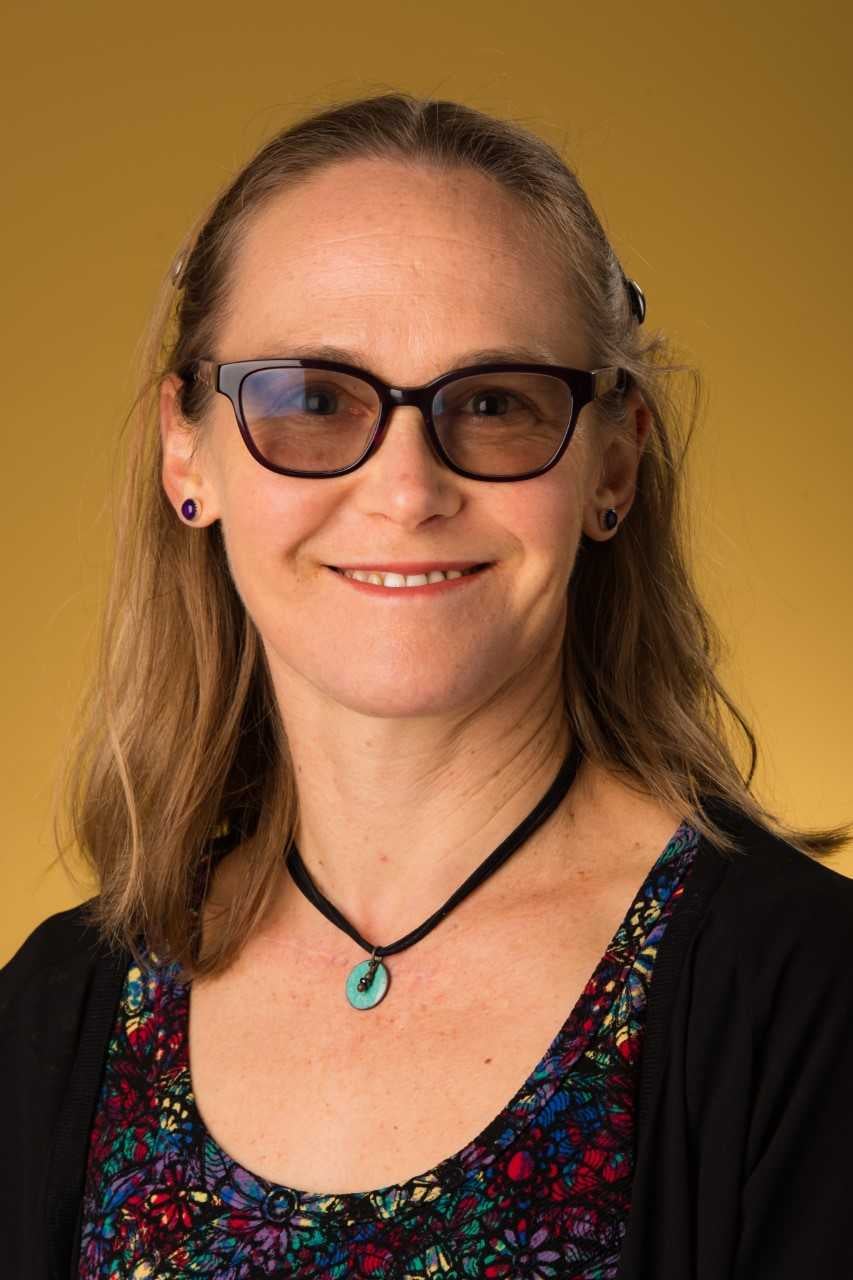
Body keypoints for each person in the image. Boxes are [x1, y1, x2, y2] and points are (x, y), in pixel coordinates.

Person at [2, 91, 852, 1279]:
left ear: (613, 464)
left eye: (493, 402)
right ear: (185, 452)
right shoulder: (54, 1018)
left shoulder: (811, 1004)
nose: (407, 489)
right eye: (311, 399)